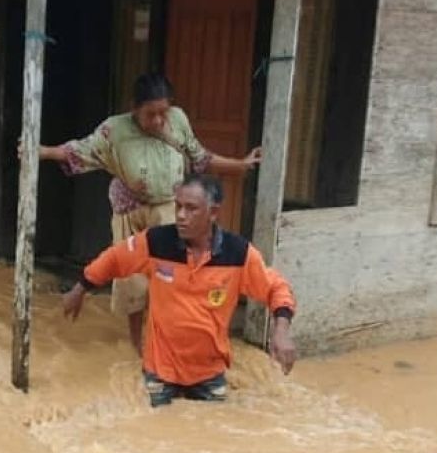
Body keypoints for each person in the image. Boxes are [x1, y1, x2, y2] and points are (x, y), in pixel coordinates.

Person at [36, 74, 261, 354]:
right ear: (134, 108)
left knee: (171, 276)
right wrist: (42, 151)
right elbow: (78, 151)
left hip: (168, 207)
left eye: (162, 113)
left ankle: (167, 340)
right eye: (149, 114)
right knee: (132, 281)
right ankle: (136, 347)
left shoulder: (178, 121)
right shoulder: (114, 131)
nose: (157, 120)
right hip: (129, 210)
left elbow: (200, 157)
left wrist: (241, 165)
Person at [62, 174, 296, 407]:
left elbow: (276, 287)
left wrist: (281, 332)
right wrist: (80, 287)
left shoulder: (238, 253)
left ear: (213, 213)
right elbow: (115, 258)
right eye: (178, 207)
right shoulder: (156, 242)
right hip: (160, 372)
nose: (181, 215)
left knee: (215, 431)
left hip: (209, 373)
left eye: (191, 208)